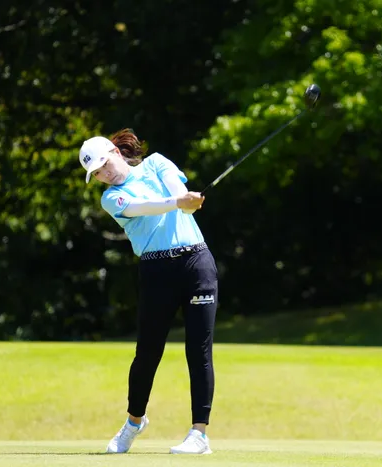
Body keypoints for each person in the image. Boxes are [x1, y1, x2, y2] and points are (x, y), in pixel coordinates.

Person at [79, 129, 218, 455]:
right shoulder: (110, 198)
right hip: (157, 270)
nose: (104, 174)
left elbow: (179, 195)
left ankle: (199, 434)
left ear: (116, 152)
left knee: (199, 351)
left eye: (104, 165)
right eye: (96, 173)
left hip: (196, 263)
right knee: (148, 352)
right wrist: (178, 202)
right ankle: (134, 421)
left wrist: (186, 201)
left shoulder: (156, 163)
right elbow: (143, 207)